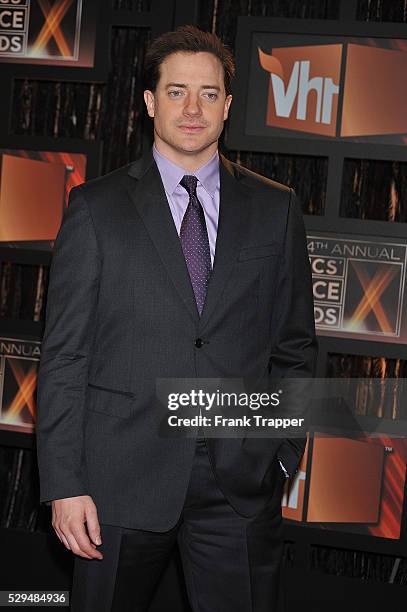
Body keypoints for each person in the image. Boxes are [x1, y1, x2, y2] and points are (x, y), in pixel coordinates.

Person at [36, 25, 317, 612]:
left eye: (209, 93)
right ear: (149, 101)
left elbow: (294, 347)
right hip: (117, 483)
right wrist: (64, 484)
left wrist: (283, 452)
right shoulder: (96, 207)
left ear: (229, 105)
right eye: (176, 91)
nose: (192, 108)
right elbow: (65, 356)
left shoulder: (276, 207)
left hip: (237, 487)